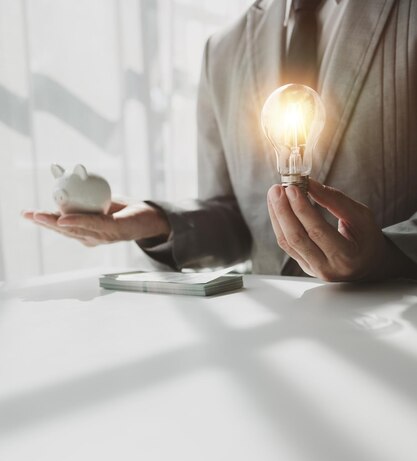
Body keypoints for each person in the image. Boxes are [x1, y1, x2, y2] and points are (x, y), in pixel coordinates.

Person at [23, 0, 417, 282]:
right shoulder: (223, 49)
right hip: (274, 329)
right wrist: (159, 222)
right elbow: (235, 214)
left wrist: (386, 255)